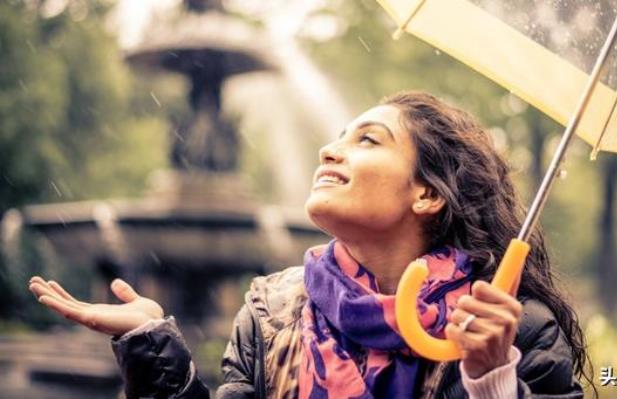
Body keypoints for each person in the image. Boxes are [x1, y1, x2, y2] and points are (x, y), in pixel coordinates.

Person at [29, 91, 588, 399]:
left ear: (426, 194)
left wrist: (491, 381)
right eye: (336, 135)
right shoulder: (272, 315)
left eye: (367, 139)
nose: (328, 150)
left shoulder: (511, 331)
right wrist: (153, 346)